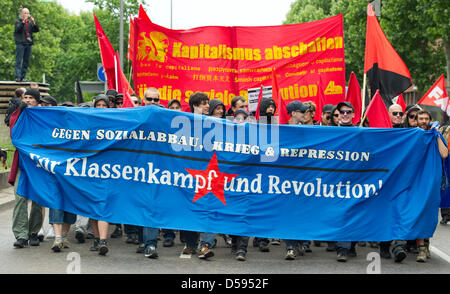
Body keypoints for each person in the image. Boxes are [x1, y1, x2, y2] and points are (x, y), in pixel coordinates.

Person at [10, 88, 42, 248]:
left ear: (37, 100)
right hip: (22, 164)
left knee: (37, 199)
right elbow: (13, 134)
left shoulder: (44, 116)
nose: (28, 100)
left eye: (31, 98)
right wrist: (20, 113)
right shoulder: (18, 113)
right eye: (26, 97)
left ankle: (33, 232)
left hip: (38, 165)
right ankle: (21, 234)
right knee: (20, 198)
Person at [416, 109, 448, 262]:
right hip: (416, 182)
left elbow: (444, 154)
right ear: (416, 120)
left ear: (429, 120)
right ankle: (421, 248)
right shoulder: (412, 135)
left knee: (430, 215)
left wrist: (437, 135)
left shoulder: (436, 135)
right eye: (420, 118)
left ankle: (426, 244)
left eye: (425, 118)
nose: (423, 121)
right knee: (419, 212)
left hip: (433, 182)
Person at [283, 100, 312, 260]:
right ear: (293, 113)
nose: (305, 114)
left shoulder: (307, 131)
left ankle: (300, 241)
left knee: (302, 213)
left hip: (304, 179)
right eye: (302, 112)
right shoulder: (282, 130)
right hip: (286, 180)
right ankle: (290, 246)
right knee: (289, 213)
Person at [334, 102, 358, 261]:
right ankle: (343, 246)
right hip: (333, 181)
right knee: (340, 214)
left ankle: (345, 247)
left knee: (350, 213)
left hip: (355, 181)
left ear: (353, 114)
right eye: (342, 111)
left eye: (348, 111)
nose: (345, 114)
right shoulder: (330, 132)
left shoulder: (360, 132)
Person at [14, 8, 39, 82]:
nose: (26, 15)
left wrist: (33, 22)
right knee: (19, 60)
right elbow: (17, 29)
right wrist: (23, 22)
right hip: (20, 43)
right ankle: (18, 77)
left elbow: (36, 30)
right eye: (25, 13)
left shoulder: (30, 23)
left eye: (28, 13)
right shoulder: (18, 22)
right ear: (21, 14)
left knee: (26, 61)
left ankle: (23, 77)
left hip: (28, 43)